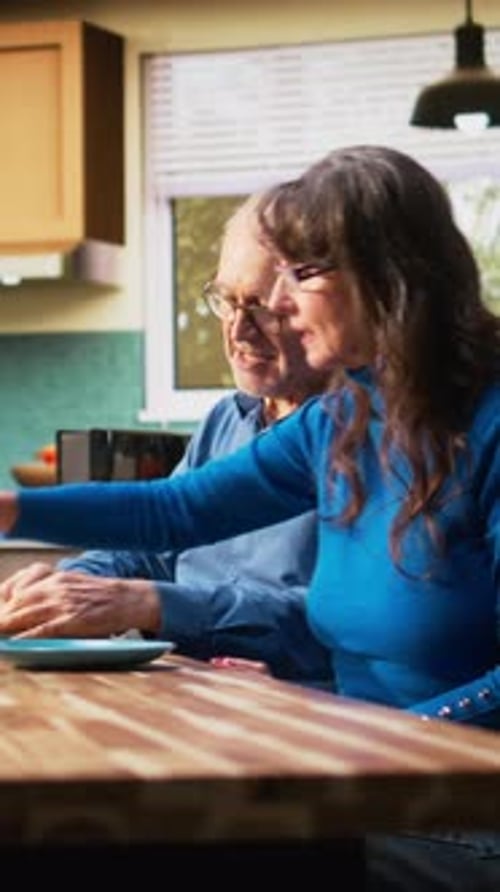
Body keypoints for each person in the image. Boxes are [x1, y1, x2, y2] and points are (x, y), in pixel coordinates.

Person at [0, 144, 499, 889]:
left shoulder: (488, 424)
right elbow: (174, 509)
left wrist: (377, 737)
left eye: (302, 275)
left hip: (455, 810)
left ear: (390, 275)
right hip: (352, 786)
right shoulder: (346, 418)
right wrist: (13, 508)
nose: (280, 306)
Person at [0, 194, 332, 686]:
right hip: (195, 684)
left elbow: (343, 624)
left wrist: (150, 602)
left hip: (302, 699)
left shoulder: (358, 435)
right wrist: (74, 581)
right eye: (227, 301)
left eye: (263, 308)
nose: (239, 329)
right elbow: (156, 541)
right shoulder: (226, 420)